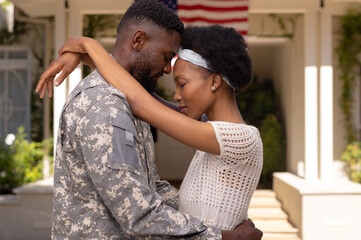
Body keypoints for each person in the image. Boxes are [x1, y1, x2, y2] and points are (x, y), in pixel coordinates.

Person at [36, 0, 263, 239]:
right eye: (167, 57)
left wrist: (87, 49)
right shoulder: (106, 104)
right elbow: (139, 213)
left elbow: (149, 185)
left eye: (181, 82)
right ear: (138, 40)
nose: (167, 70)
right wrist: (222, 236)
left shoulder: (228, 135)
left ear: (215, 81)